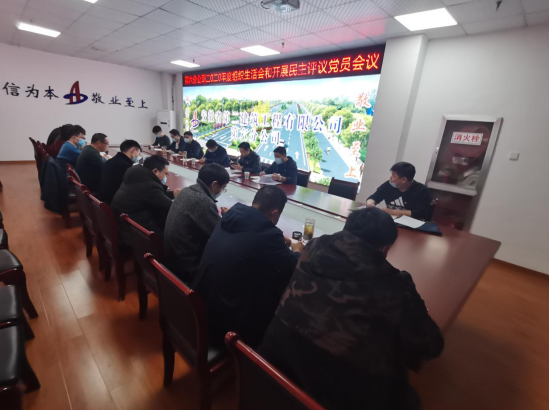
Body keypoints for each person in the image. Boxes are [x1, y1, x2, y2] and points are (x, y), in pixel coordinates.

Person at [259, 208, 444, 410]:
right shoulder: (395, 284)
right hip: (330, 395)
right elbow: (430, 345)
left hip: (271, 373)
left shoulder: (311, 249)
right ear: (385, 248)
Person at [194, 186, 304, 348]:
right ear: (275, 214)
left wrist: (277, 238)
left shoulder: (229, 216)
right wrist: (298, 251)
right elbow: (292, 267)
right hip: (226, 329)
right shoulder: (269, 236)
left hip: (202, 309)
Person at [164, 164, 230, 283]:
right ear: (214, 184)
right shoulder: (202, 201)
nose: (221, 191)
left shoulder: (186, 191)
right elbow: (220, 235)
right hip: (187, 267)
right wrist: (228, 216)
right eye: (223, 188)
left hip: (173, 259)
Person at [111, 156, 179, 246]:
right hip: (136, 235)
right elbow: (170, 207)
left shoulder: (137, 176)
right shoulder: (150, 185)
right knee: (175, 231)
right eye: (165, 174)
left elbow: (155, 195)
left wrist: (173, 194)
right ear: (155, 171)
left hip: (124, 225)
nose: (166, 177)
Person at [366, 162, 433, 221]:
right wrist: (370, 205)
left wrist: (392, 212)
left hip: (410, 225)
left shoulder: (421, 190)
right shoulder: (388, 185)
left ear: (403, 180)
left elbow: (420, 213)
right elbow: (374, 197)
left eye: (393, 176)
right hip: (390, 221)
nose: (390, 178)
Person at [100, 139, 141, 204]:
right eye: (139, 153)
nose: (139, 156)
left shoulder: (109, 161)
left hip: (105, 200)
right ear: (133, 150)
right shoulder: (127, 167)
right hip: (115, 204)